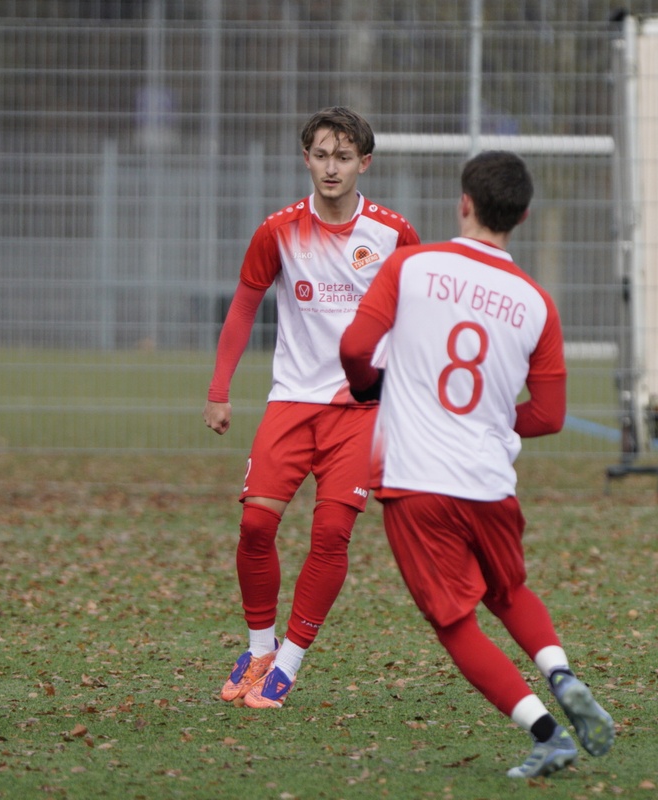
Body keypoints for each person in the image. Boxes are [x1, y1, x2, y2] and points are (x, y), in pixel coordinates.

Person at [338, 150, 614, 778]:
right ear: (522, 216)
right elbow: (549, 415)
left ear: (464, 202)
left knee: (453, 618)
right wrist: (490, 420)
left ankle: (547, 733)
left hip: (417, 479)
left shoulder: (411, 265)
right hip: (490, 480)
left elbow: (355, 347)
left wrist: (369, 386)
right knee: (508, 590)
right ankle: (561, 674)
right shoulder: (537, 303)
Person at [203, 107, 420, 710]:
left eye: (343, 157)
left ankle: (290, 661)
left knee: (330, 534)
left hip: (361, 410)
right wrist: (219, 390)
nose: (331, 167)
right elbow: (244, 307)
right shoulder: (278, 230)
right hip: (291, 402)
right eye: (321, 155)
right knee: (255, 526)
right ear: (306, 159)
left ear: (363, 164)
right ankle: (259, 647)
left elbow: (418, 317)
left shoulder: (393, 233)